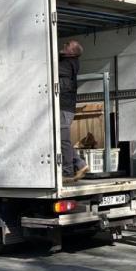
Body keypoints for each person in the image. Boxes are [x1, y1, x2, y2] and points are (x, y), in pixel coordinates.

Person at [59, 39, 89, 182]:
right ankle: (80, 164)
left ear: (73, 52)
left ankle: (67, 172)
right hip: (65, 107)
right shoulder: (69, 62)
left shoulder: (68, 63)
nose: (64, 45)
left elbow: (53, 71)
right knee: (61, 139)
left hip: (64, 107)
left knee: (63, 140)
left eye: (67, 45)